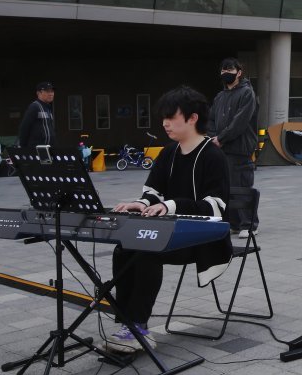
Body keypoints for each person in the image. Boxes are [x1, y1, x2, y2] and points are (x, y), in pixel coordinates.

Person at [108, 86, 231, 352]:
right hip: (169, 234)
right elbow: (153, 191)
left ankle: (138, 326)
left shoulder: (213, 156)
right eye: (163, 117)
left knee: (147, 252)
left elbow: (217, 208)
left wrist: (172, 205)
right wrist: (138, 204)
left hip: (202, 239)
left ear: (192, 118)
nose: (165, 123)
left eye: (171, 116)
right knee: (124, 248)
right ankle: (127, 323)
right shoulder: (168, 153)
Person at [208, 58, 259, 234]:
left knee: (242, 185)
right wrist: (212, 137)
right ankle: (234, 224)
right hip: (221, 148)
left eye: (229, 70)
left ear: (239, 72)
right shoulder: (220, 96)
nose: (226, 73)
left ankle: (249, 225)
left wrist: (221, 138)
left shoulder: (247, 93)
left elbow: (241, 121)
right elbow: (211, 119)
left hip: (240, 148)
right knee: (226, 187)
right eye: (223, 70)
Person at [17, 81, 56, 148]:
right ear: (38, 93)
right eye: (47, 91)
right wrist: (23, 148)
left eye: (52, 91)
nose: (51, 94)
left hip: (48, 149)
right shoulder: (34, 107)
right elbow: (24, 128)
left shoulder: (48, 108)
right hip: (36, 150)